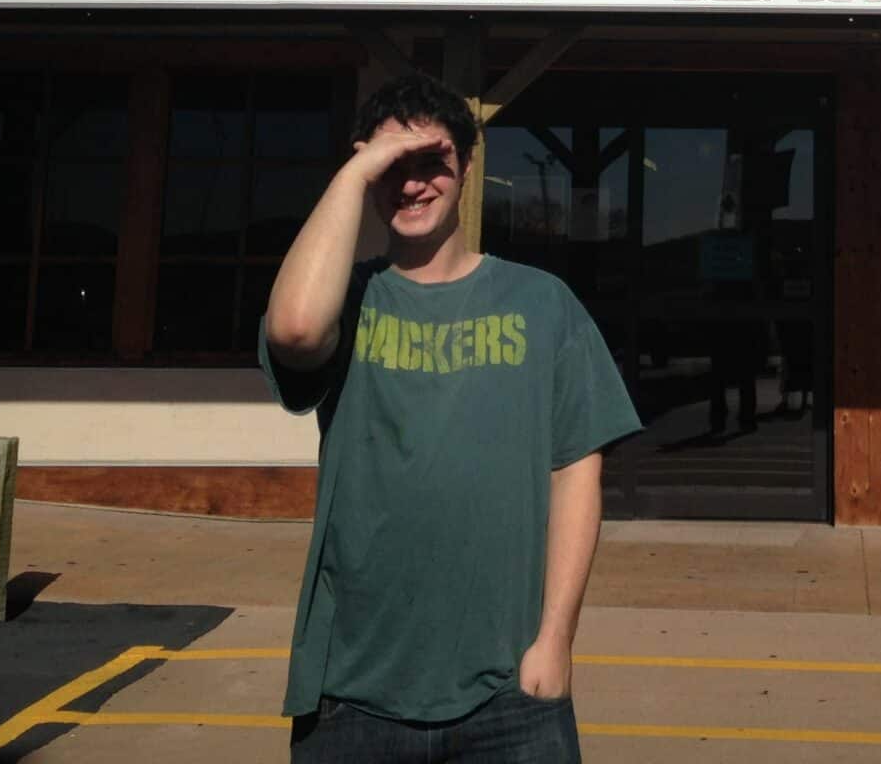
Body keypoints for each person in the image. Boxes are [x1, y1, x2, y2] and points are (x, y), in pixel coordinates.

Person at [260, 72, 640, 762]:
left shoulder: (543, 304)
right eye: (391, 167)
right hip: (351, 689)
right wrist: (355, 173)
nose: (411, 184)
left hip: (510, 694)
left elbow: (576, 476)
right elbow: (294, 330)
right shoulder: (350, 300)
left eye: (431, 161)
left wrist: (555, 642)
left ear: (466, 168)